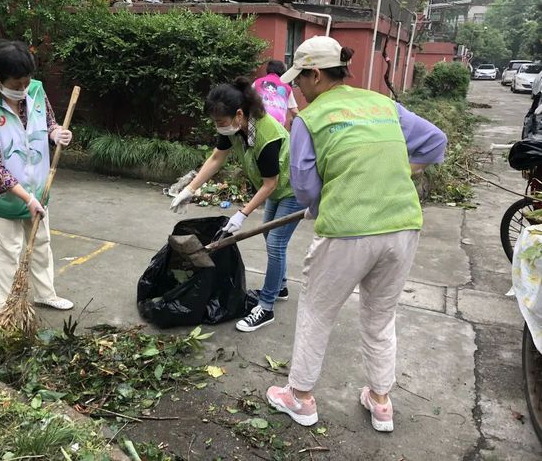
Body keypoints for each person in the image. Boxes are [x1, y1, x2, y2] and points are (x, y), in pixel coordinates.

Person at [265, 36, 447, 430]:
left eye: (300, 79)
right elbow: (435, 142)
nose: (297, 87)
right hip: (402, 226)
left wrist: (319, 207)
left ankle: (299, 398)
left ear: (316, 74)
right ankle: (381, 402)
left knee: (317, 311)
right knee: (381, 317)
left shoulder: (310, 119)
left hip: (347, 229)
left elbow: (304, 186)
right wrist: (400, 171)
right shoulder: (383, 105)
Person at [169, 77, 304, 332]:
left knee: (275, 243)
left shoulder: (267, 136)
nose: (219, 127)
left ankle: (265, 307)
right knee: (270, 236)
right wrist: (190, 189)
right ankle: (280, 286)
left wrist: (242, 214)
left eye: (221, 122)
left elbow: (270, 184)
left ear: (239, 114)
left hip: (293, 188)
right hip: (277, 187)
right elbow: (217, 157)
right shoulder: (235, 128)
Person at [0, 40, 74, 311]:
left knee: (41, 242)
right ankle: (9, 307)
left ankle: (45, 293)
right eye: (16, 85)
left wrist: (55, 133)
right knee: (8, 252)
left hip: (39, 187)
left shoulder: (36, 91)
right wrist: (26, 198)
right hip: (6, 197)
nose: (23, 89)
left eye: (26, 82)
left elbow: (48, 122)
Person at [253, 60, 299, 127]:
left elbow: (246, 100)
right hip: (278, 126)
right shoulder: (286, 87)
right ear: (283, 71)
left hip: (259, 124)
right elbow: (294, 111)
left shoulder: (257, 82)